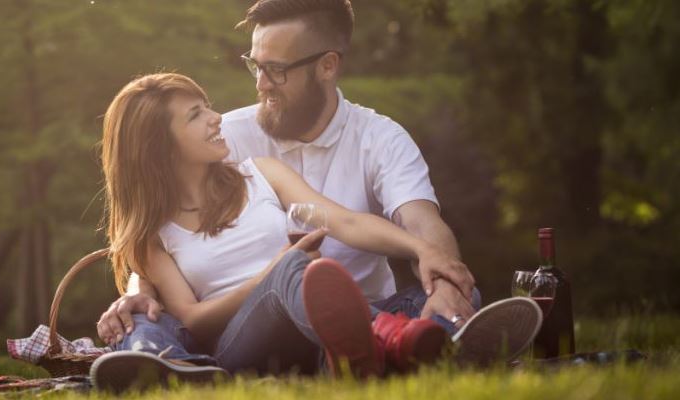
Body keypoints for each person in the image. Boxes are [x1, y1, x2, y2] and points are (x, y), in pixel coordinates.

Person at [87, 73, 542, 392]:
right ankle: (406, 344)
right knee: (296, 271)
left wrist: (422, 250)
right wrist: (275, 273)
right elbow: (192, 318)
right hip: (240, 340)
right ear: (159, 147)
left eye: (207, 107)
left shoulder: (259, 173)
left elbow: (343, 221)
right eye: (194, 115)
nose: (215, 117)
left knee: (443, 293)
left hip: (316, 323)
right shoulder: (153, 234)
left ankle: (427, 337)